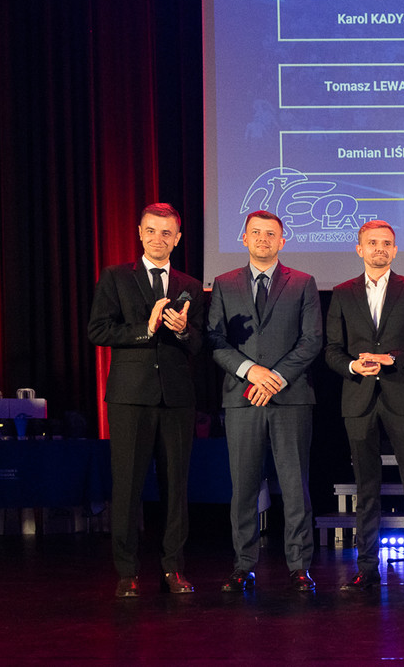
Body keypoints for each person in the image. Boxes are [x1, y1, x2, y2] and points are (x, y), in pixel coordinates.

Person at [89, 202, 206, 597]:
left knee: (176, 488)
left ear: (178, 238)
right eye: (151, 230)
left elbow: (199, 343)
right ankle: (127, 572)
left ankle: (173, 569)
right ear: (140, 233)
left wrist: (183, 330)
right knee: (127, 487)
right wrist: (147, 328)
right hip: (130, 398)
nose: (159, 238)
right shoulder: (116, 277)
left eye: (166, 232)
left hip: (176, 399)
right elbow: (98, 330)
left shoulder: (190, 285)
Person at [206, 210, 323, 593]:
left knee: (295, 487)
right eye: (255, 232)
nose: (262, 239)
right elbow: (214, 339)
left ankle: (299, 566)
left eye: (270, 234)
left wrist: (274, 378)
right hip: (242, 398)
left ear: (282, 240)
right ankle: (243, 565)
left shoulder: (303, 282)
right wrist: (250, 371)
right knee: (243, 488)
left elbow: (311, 340)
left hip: (291, 397)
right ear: (244, 238)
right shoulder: (224, 283)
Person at [324, 220, 404, 593]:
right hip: (358, 397)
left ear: (395, 250)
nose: (379, 248)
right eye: (372, 242)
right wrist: (352, 366)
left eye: (386, 243)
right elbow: (331, 349)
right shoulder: (342, 293)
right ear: (359, 248)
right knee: (366, 487)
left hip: (402, 396)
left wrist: (392, 359)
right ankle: (367, 567)